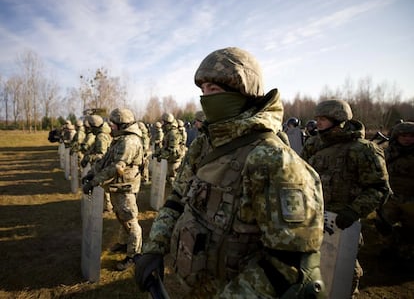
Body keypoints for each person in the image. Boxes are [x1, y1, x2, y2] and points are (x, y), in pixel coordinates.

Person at [135, 47, 325, 298]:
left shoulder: (273, 161)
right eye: (202, 90)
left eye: (213, 90)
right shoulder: (204, 144)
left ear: (244, 91)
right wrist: (155, 246)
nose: (205, 98)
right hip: (196, 285)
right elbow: (177, 198)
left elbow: (289, 269)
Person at [300, 99, 391, 297]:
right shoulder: (313, 144)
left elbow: (379, 188)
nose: (318, 123)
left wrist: (353, 211)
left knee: (342, 270)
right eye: (317, 119)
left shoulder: (363, 150)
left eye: (323, 119)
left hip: (343, 222)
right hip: (312, 217)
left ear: (338, 119)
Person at [82, 108, 144, 271]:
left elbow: (116, 167)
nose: (110, 125)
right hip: (118, 186)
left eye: (113, 123)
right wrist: (91, 173)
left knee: (130, 220)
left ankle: (134, 254)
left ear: (122, 124)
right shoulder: (120, 138)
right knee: (121, 216)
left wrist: (95, 182)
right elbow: (106, 160)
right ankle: (124, 244)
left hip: (126, 186)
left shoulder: (129, 142)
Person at [376, 122, 414, 265]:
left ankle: (407, 255)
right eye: (404, 135)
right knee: (383, 225)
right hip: (390, 198)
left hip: (411, 199)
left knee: (410, 230)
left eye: (411, 136)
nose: (407, 139)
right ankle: (387, 248)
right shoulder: (386, 153)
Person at [80, 114, 113, 213]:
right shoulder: (103, 134)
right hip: (103, 165)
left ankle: (107, 206)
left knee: (103, 186)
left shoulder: (101, 136)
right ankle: (107, 205)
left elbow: (101, 155)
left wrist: (88, 158)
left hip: (102, 165)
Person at [159, 113, 182, 183]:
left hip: (174, 160)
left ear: (167, 122)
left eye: (163, 122)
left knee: (173, 178)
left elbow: (172, 150)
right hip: (171, 159)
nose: (162, 124)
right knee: (169, 177)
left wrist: (162, 156)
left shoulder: (173, 133)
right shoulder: (169, 132)